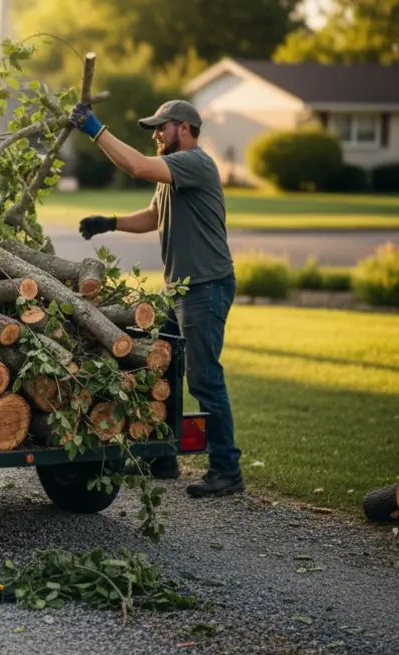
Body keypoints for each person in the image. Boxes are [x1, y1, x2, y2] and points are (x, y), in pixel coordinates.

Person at [68, 99, 244, 498]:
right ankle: (163, 456)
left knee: (204, 378)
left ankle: (226, 470)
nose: (155, 135)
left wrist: (95, 129)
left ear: (184, 128)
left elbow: (137, 166)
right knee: (158, 366)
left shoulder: (195, 163)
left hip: (206, 286)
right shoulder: (174, 176)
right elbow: (153, 216)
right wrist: (109, 222)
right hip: (180, 289)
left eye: (160, 128)